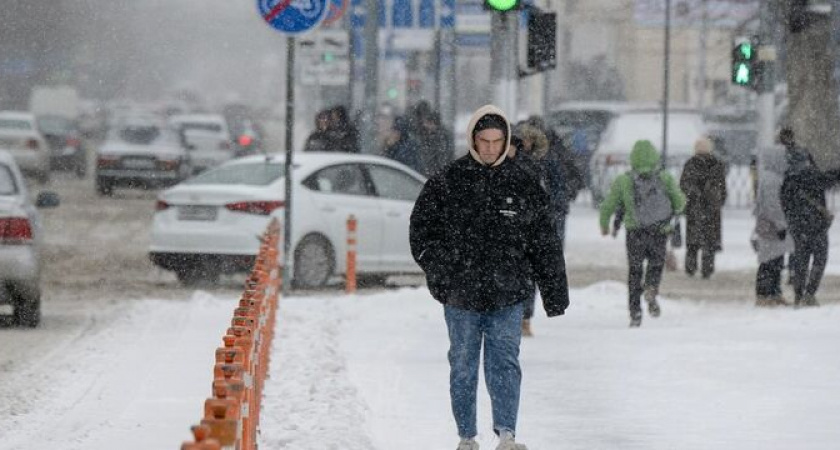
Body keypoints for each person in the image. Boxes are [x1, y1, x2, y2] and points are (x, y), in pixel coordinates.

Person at [409, 105, 568, 450]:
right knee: (463, 366)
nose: (491, 148)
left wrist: (554, 293)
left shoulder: (523, 184)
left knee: (505, 365)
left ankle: (507, 434)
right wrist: (441, 274)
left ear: (507, 141)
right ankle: (467, 436)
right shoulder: (448, 181)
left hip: (508, 296)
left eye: (498, 141)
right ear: (473, 140)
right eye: (484, 140)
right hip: (461, 295)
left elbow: (544, 242)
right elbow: (421, 232)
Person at [599, 140, 685, 327]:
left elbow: (608, 205)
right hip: (659, 232)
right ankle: (652, 288)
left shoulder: (624, 180)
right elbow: (680, 203)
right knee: (655, 265)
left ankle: (635, 313)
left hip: (635, 233)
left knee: (635, 271)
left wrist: (604, 224)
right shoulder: (665, 178)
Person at [779, 128, 838, 307]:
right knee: (820, 258)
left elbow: (784, 204)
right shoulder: (813, 174)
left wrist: (790, 220)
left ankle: (798, 294)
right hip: (818, 225)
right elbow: (831, 177)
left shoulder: (787, 181)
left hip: (798, 226)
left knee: (800, 259)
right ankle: (810, 293)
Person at [679, 137, 727, 279]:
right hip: (712, 208)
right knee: (710, 241)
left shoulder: (690, 164)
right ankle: (708, 268)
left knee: (693, 240)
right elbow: (722, 188)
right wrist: (718, 201)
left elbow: (683, 185)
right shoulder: (717, 164)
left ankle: (691, 267)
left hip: (695, 207)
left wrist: (689, 200)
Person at [752, 150, 793, 307]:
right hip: (772, 226)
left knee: (774, 260)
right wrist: (781, 225)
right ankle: (765, 294)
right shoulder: (773, 179)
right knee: (770, 261)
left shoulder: (770, 177)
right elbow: (773, 205)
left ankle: (773, 293)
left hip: (768, 224)